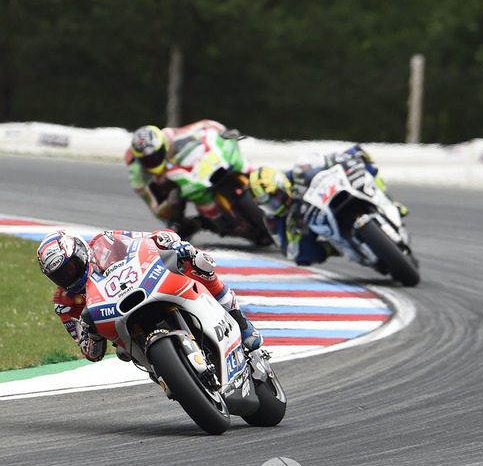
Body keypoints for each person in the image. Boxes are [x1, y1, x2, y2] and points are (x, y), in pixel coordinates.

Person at [36, 228, 263, 362]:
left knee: (198, 262)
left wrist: (172, 243)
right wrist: (92, 335)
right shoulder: (64, 303)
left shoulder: (105, 241)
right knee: (124, 353)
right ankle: (168, 374)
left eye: (72, 266)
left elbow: (146, 239)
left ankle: (238, 320)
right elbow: (90, 353)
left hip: (145, 285)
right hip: (124, 328)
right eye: (61, 275)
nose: (70, 276)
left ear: (81, 251)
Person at [248, 144, 408, 266]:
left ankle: (390, 202)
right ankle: (336, 248)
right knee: (301, 255)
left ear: (282, 185)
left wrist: (344, 157)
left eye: (275, 197)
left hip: (331, 195)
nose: (275, 205)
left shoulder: (293, 175)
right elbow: (287, 249)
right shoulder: (273, 219)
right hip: (314, 223)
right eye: (268, 204)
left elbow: (320, 163)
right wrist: (297, 232)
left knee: (361, 160)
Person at [125, 120, 253, 239]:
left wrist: (221, 132)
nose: (153, 161)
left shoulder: (170, 136)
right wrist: (169, 205)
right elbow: (156, 209)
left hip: (192, 172)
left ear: (163, 145)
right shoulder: (139, 177)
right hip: (170, 191)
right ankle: (202, 222)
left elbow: (204, 125)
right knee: (177, 231)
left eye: (155, 156)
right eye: (147, 160)